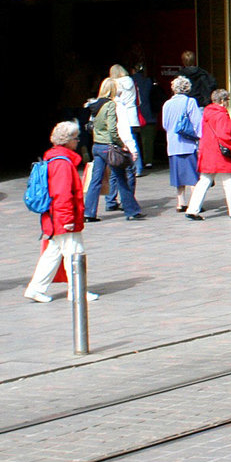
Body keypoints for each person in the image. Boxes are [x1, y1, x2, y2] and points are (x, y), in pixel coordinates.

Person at [24, 121, 96, 304]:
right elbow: (62, 194)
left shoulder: (53, 158)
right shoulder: (63, 164)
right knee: (75, 253)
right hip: (63, 217)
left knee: (53, 253)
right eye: (75, 138)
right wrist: (68, 220)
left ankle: (36, 288)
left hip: (54, 217)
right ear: (68, 140)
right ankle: (76, 291)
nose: (78, 141)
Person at [82, 77, 144, 221]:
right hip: (109, 146)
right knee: (121, 178)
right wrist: (124, 145)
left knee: (95, 180)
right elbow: (115, 128)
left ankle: (89, 213)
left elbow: (92, 126)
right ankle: (131, 211)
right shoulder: (112, 105)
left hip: (97, 146)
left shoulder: (95, 105)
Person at [186, 88, 231, 220]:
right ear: (222, 100)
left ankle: (192, 209)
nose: (227, 103)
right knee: (229, 183)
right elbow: (225, 136)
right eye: (226, 100)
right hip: (221, 153)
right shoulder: (222, 114)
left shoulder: (207, 112)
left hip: (208, 151)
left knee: (204, 181)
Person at [160, 75, 201, 211]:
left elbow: (165, 125)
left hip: (172, 144)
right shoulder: (190, 102)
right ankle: (195, 203)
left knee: (178, 176)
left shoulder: (167, 104)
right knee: (193, 176)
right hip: (188, 144)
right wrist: (200, 139)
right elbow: (197, 123)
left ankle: (180, 202)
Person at [111, 63, 143, 178]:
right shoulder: (131, 81)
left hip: (123, 114)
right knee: (134, 142)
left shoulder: (116, 84)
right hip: (133, 114)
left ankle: (126, 166)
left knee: (123, 142)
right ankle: (138, 167)